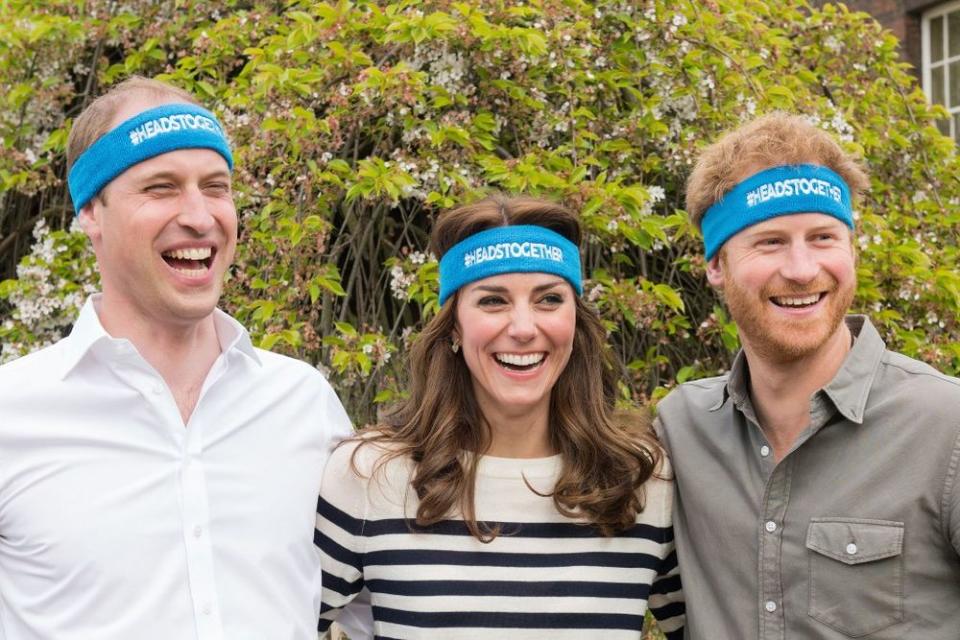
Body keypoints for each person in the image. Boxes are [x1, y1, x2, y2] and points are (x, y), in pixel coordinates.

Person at [0, 77, 360, 639]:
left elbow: (375, 606)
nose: (199, 215)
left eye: (215, 187)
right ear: (92, 210)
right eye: (161, 188)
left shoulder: (304, 402)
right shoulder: (13, 413)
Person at [315, 195, 685, 639]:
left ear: (575, 320)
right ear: (454, 325)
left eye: (549, 299)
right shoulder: (370, 476)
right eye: (493, 301)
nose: (525, 327)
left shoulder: (641, 478)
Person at [655, 112, 960, 639]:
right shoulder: (681, 429)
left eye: (822, 237)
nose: (801, 268)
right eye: (770, 241)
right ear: (716, 265)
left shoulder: (946, 427)